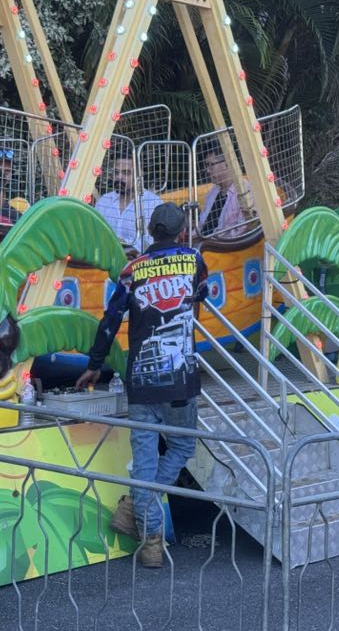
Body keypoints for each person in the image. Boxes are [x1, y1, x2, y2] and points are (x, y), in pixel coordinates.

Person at [76, 203, 208, 569]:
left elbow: (110, 319)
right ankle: (139, 508)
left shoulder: (131, 270)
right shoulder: (193, 260)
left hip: (141, 381)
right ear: (181, 232)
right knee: (182, 445)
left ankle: (148, 536)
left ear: (151, 232)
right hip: (180, 378)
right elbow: (201, 295)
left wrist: (94, 365)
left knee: (145, 462)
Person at [95, 154, 162, 253]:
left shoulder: (152, 203)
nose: (119, 177)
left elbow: (152, 242)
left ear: (139, 175)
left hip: (139, 264)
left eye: (126, 173)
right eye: (116, 172)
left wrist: (122, 243)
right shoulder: (104, 201)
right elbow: (94, 235)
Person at [198, 144, 252, 239]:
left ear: (227, 164)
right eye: (207, 165)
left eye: (211, 165)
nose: (208, 171)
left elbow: (241, 231)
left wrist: (210, 241)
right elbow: (202, 224)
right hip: (205, 243)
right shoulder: (212, 192)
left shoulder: (245, 192)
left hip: (223, 248)